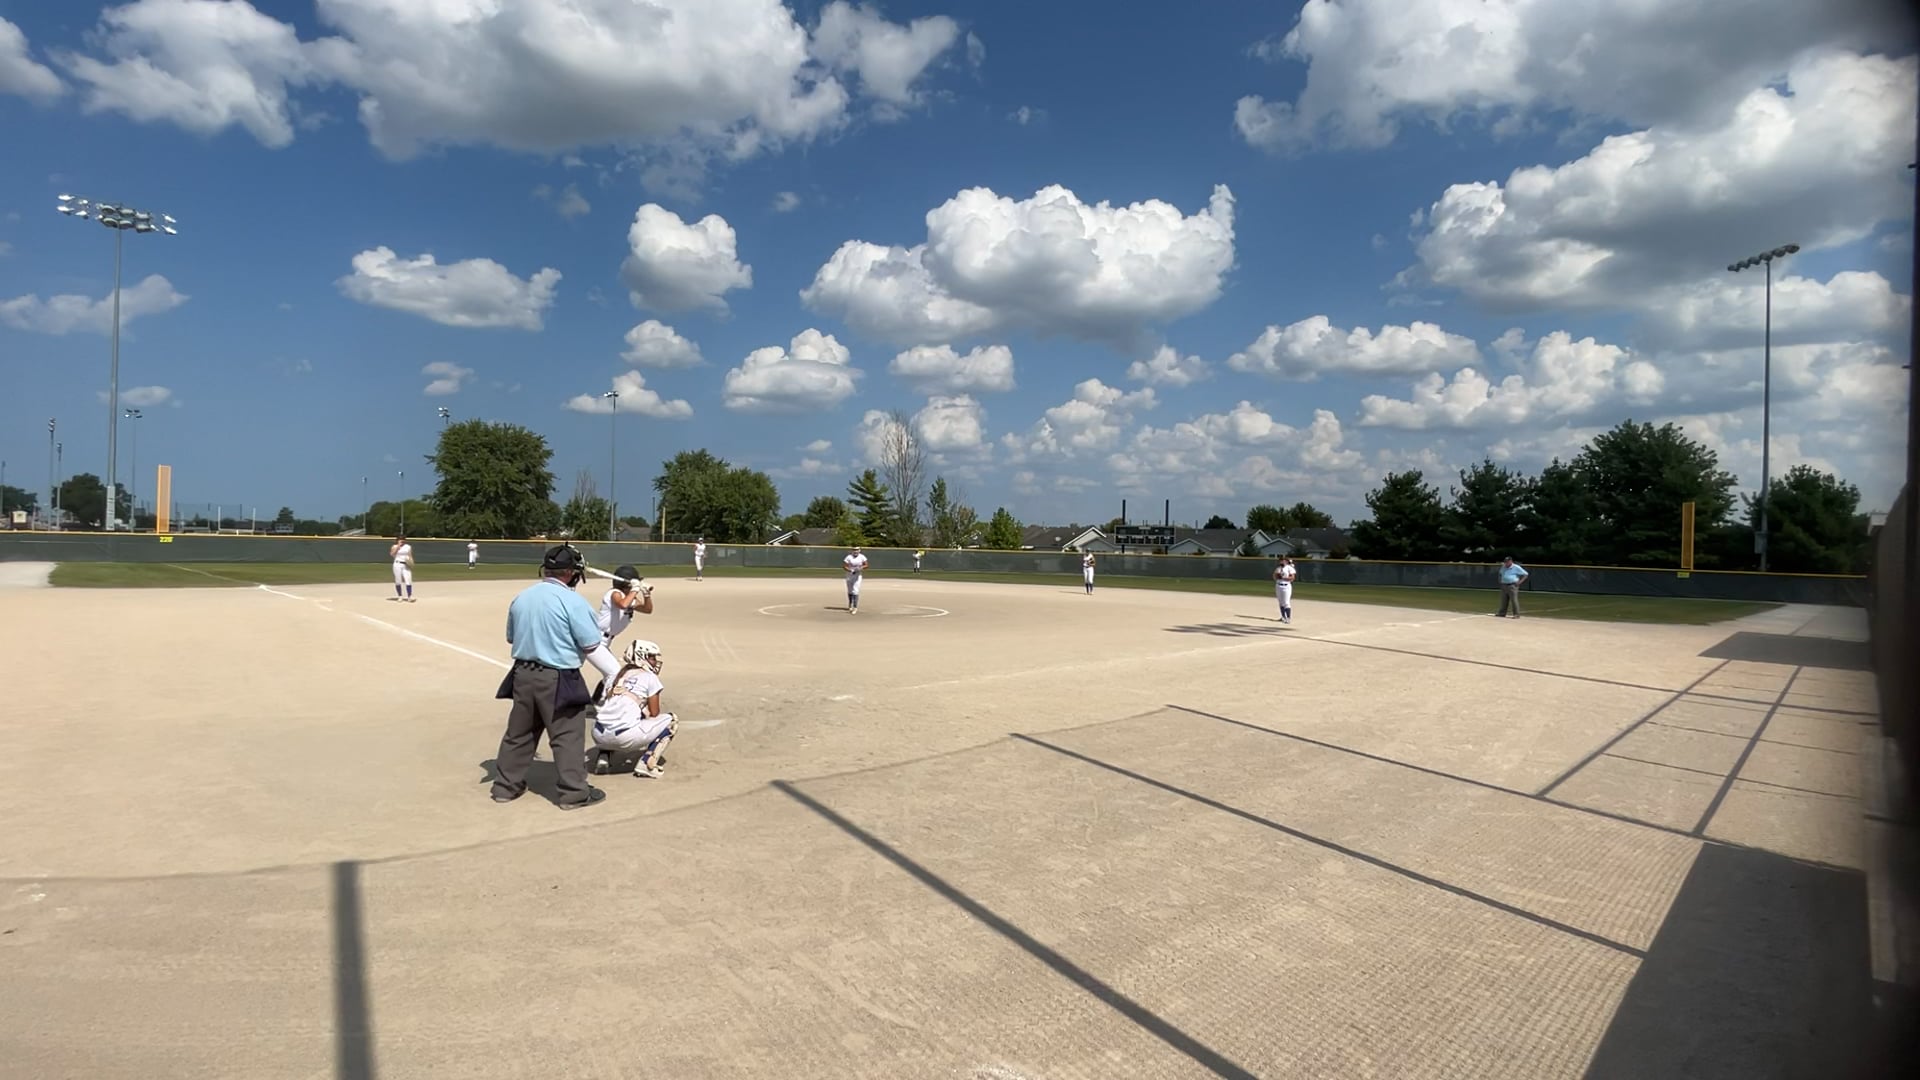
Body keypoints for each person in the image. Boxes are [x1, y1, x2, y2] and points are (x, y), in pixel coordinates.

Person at [489, 544, 622, 810]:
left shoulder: (522, 597)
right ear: (571, 573)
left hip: (522, 674)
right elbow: (591, 645)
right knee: (567, 736)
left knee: (519, 733)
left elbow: (511, 637)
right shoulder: (573, 601)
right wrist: (614, 672)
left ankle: (505, 787)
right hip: (559, 677)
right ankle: (574, 793)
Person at [588, 639, 678, 779]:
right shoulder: (649, 677)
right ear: (641, 657)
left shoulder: (614, 676)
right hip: (625, 739)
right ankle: (646, 764)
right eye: (652, 657)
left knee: (614, 716)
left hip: (598, 735)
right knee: (671, 721)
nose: (655, 661)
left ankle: (603, 757)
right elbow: (654, 713)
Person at [843, 545, 868, 614]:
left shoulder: (862, 557)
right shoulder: (849, 557)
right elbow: (844, 566)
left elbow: (866, 565)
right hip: (849, 575)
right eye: (854, 550)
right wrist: (850, 570)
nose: (855, 551)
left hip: (858, 576)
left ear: (859, 550)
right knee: (850, 590)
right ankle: (850, 604)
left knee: (855, 591)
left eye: (857, 550)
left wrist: (861, 568)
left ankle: (855, 607)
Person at [389, 534, 414, 602]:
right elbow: (392, 554)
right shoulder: (394, 546)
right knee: (398, 581)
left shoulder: (408, 546)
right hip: (397, 564)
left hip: (406, 565)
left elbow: (410, 555)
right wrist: (398, 546)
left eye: (403, 539)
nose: (402, 540)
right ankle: (400, 596)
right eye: (400, 539)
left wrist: (411, 563)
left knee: (408, 580)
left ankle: (409, 596)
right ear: (397, 540)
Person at [1273, 555, 1297, 623]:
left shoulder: (1289, 568)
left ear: (1286, 561)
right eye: (1280, 560)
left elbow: (1292, 578)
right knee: (1281, 602)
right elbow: (1274, 577)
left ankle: (1288, 618)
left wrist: (1283, 578)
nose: (1281, 561)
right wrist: (1277, 576)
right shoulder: (1278, 568)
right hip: (1278, 586)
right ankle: (1283, 617)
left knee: (1286, 602)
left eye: (1283, 560)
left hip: (1286, 586)